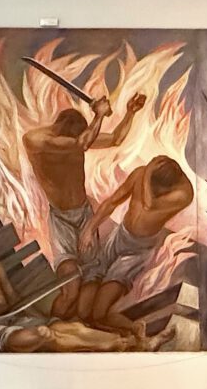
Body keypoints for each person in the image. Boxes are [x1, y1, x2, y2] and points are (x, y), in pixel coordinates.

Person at [0, 228, 174, 352]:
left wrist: (43, 318)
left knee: (73, 328)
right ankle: (122, 345)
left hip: (17, 318)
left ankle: (139, 343)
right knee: (46, 335)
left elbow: (14, 299)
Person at [23, 93, 147, 321]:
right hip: (61, 221)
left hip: (84, 215)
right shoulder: (35, 140)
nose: (81, 142)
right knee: (70, 289)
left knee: (90, 281)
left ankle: (79, 328)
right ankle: (54, 329)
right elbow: (82, 142)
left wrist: (130, 113)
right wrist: (98, 115)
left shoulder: (76, 142)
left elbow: (115, 139)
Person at [78, 156, 194, 336]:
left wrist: (148, 171)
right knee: (83, 311)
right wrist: (90, 228)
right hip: (119, 236)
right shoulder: (141, 173)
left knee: (99, 313)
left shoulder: (183, 194)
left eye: (160, 190)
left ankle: (135, 329)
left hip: (137, 251)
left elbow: (149, 204)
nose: (155, 191)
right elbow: (112, 201)